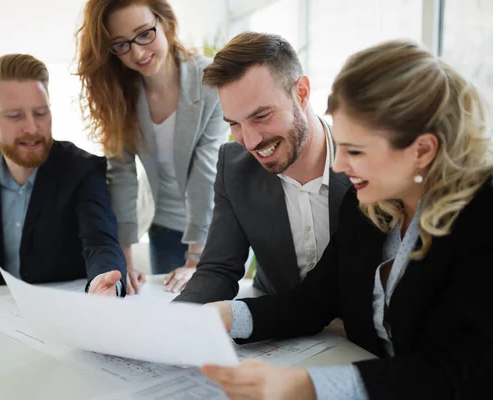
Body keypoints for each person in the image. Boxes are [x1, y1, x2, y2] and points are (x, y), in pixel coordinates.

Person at [202, 40, 493, 399]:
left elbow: (457, 371)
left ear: (422, 150)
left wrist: (303, 387)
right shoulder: (369, 204)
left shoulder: (482, 217)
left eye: (355, 151)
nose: (338, 166)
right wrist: (224, 316)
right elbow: (311, 303)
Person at [173, 32, 351, 299]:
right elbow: (218, 271)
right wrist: (170, 327)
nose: (250, 141)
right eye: (234, 123)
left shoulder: (363, 160)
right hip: (276, 327)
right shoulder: (233, 168)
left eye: (262, 116)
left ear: (301, 93)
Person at [76, 0, 229, 294]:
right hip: (165, 225)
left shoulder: (209, 79)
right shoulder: (121, 94)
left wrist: (196, 259)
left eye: (145, 33)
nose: (138, 52)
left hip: (216, 227)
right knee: (167, 311)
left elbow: (206, 169)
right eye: (120, 44)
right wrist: (125, 259)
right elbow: (121, 178)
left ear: (166, 21)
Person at [0, 54, 126, 296]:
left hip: (67, 309)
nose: (32, 127)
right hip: (5, 309)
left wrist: (103, 281)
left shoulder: (82, 169)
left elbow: (100, 242)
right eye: (15, 116)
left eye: (40, 113)